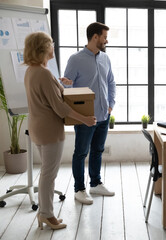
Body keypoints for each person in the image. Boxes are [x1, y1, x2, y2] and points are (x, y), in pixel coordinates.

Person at [23, 32, 96, 230]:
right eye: (50, 44)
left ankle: (44, 213)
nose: (53, 47)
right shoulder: (44, 73)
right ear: (43, 48)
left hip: (37, 128)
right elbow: (60, 108)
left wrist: (61, 85)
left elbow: (48, 97)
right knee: (49, 174)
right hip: (49, 130)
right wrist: (85, 120)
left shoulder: (31, 70)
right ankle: (46, 214)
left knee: (46, 172)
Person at [60, 22, 116, 205]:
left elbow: (111, 83)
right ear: (95, 37)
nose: (106, 40)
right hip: (84, 117)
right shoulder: (75, 59)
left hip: (103, 114)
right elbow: (66, 88)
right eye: (105, 37)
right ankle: (79, 189)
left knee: (98, 150)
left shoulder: (105, 58)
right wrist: (65, 84)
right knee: (81, 152)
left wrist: (110, 105)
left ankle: (95, 183)